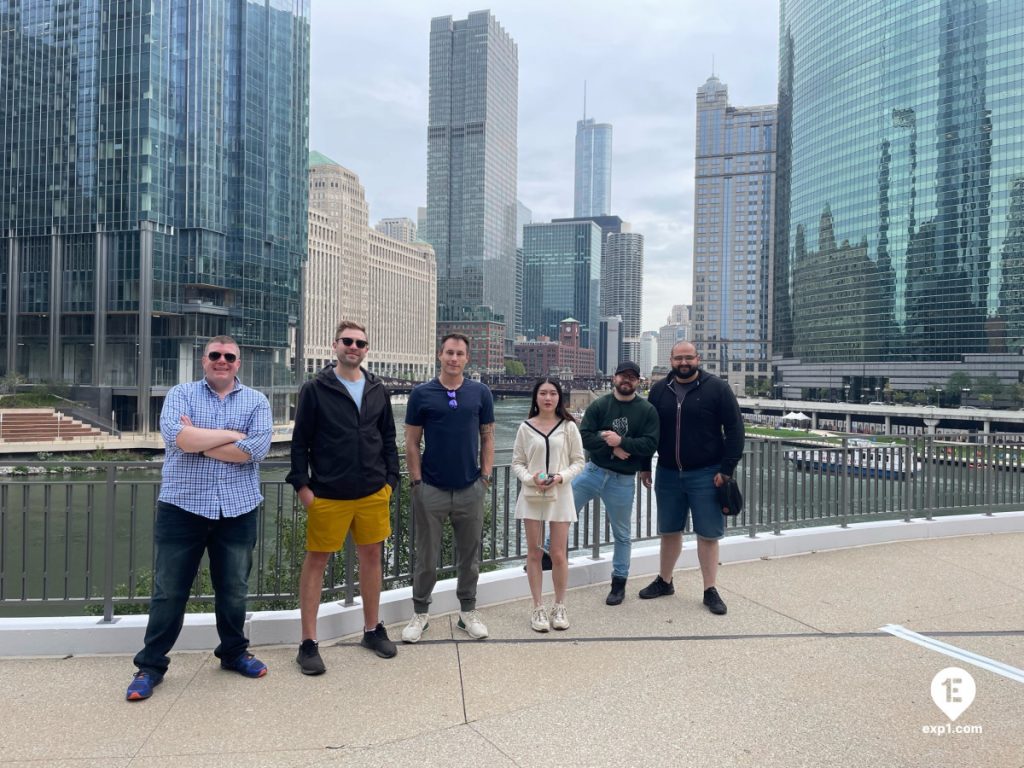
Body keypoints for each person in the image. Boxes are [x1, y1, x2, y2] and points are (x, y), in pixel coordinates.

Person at [126, 336, 273, 701]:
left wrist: (201, 439)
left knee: (234, 590)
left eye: (229, 356)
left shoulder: (257, 401)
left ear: (239, 363)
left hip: (238, 509)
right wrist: (231, 436)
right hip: (182, 508)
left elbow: (256, 450)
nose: (221, 361)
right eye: (214, 355)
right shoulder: (181, 393)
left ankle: (234, 653)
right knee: (168, 592)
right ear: (203, 360)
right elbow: (178, 439)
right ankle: (151, 666)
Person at [288, 320, 400, 674]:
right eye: (347, 341)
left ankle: (371, 629)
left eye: (360, 343)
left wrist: (390, 483)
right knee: (316, 562)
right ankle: (308, 643)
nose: (354, 347)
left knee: (372, 558)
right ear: (335, 345)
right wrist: (304, 489)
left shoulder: (377, 389)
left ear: (367, 349)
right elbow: (299, 442)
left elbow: (387, 439)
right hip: (328, 494)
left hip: (372, 491)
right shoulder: (315, 388)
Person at [638, 341, 744, 615]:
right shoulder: (660, 390)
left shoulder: (718, 388)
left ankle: (710, 589)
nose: (683, 363)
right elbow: (650, 431)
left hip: (707, 474)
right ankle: (665, 581)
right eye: (678, 358)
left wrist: (727, 470)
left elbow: (735, 430)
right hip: (668, 472)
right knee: (669, 531)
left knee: (708, 534)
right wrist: (644, 465)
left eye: (688, 358)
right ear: (671, 360)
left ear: (697, 358)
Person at [401, 333, 495, 642]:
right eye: (449, 353)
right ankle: (420, 614)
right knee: (425, 557)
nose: (454, 358)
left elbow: (488, 436)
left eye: (460, 353)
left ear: (467, 358)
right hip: (431, 489)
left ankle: (467, 612)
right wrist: (416, 482)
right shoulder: (421, 394)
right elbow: (412, 442)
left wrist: (485, 477)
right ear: (440, 355)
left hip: (471, 488)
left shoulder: (480, 393)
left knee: (470, 556)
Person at [572, 361, 659, 606]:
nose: (627, 380)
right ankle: (547, 553)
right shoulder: (600, 405)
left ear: (638, 381)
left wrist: (621, 442)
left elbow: (650, 444)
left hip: (623, 480)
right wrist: (610, 445)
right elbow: (585, 437)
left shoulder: (647, 411)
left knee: (622, 534)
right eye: (623, 376)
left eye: (632, 377)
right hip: (593, 471)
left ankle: (618, 584)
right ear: (614, 378)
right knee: (565, 510)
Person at [511, 378, 585, 632]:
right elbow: (517, 462)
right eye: (542, 393)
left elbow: (578, 461)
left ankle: (560, 604)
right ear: (535, 398)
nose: (547, 398)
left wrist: (560, 477)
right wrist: (531, 479)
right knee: (534, 552)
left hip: (560, 493)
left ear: (559, 398)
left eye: (553, 393)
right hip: (532, 494)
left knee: (558, 553)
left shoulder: (568, 427)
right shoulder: (525, 428)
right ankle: (537, 607)